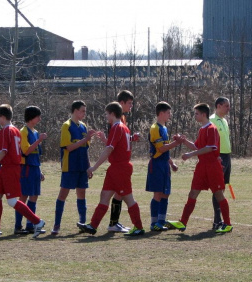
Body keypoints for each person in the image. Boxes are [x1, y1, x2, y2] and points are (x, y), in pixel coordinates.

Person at [78, 102, 145, 236]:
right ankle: (93, 226)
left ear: (113, 114)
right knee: (104, 196)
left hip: (120, 168)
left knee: (128, 198)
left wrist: (94, 167)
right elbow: (116, 145)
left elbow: (109, 149)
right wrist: (105, 140)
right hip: (115, 168)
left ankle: (139, 227)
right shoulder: (123, 127)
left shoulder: (117, 127)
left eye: (107, 114)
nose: (106, 116)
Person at [0, 104, 46, 238]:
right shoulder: (15, 130)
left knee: (12, 201)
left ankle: (37, 222)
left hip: (10, 168)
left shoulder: (5, 131)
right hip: (6, 168)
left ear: (3, 116)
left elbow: (3, 152)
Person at [166, 103, 233, 234]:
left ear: (203, 114)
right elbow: (197, 146)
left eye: (196, 113)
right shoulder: (202, 129)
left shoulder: (211, 128)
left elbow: (210, 148)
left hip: (213, 166)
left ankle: (228, 224)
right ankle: (183, 222)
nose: (195, 116)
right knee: (192, 193)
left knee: (219, 195)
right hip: (202, 166)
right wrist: (183, 141)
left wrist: (190, 155)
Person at [51, 100, 100, 236]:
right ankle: (56, 225)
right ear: (75, 111)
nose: (84, 113)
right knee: (63, 194)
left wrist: (89, 167)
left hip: (82, 167)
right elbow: (69, 147)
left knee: (82, 194)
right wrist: (86, 139)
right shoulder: (66, 126)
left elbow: (85, 149)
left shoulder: (84, 126)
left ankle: (82, 223)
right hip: (70, 166)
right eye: (82, 111)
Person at [106, 90, 140, 232]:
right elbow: (112, 144)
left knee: (118, 194)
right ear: (121, 103)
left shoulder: (122, 120)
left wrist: (132, 138)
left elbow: (121, 141)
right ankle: (112, 223)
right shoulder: (116, 121)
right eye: (129, 103)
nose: (131, 106)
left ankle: (114, 222)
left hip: (121, 164)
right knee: (119, 194)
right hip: (119, 164)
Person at [146, 101, 182, 231]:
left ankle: (161, 221)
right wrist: (176, 143)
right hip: (156, 165)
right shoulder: (155, 128)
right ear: (161, 113)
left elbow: (166, 150)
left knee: (166, 193)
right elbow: (161, 149)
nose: (170, 115)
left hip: (164, 164)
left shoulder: (164, 128)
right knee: (158, 194)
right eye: (168, 113)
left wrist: (172, 163)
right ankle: (154, 222)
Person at [15, 106, 47, 235]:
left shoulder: (34, 131)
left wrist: (39, 171)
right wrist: (39, 140)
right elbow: (26, 151)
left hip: (34, 168)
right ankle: (18, 226)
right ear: (31, 117)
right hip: (26, 168)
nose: (39, 118)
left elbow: (36, 154)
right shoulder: (24, 131)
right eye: (37, 116)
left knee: (34, 196)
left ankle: (31, 224)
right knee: (23, 196)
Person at [209, 97, 232, 230]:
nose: (228, 108)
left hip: (227, 156)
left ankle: (221, 219)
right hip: (219, 157)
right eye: (226, 106)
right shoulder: (212, 120)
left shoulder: (224, 120)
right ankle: (217, 220)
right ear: (218, 106)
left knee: (222, 188)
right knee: (217, 189)